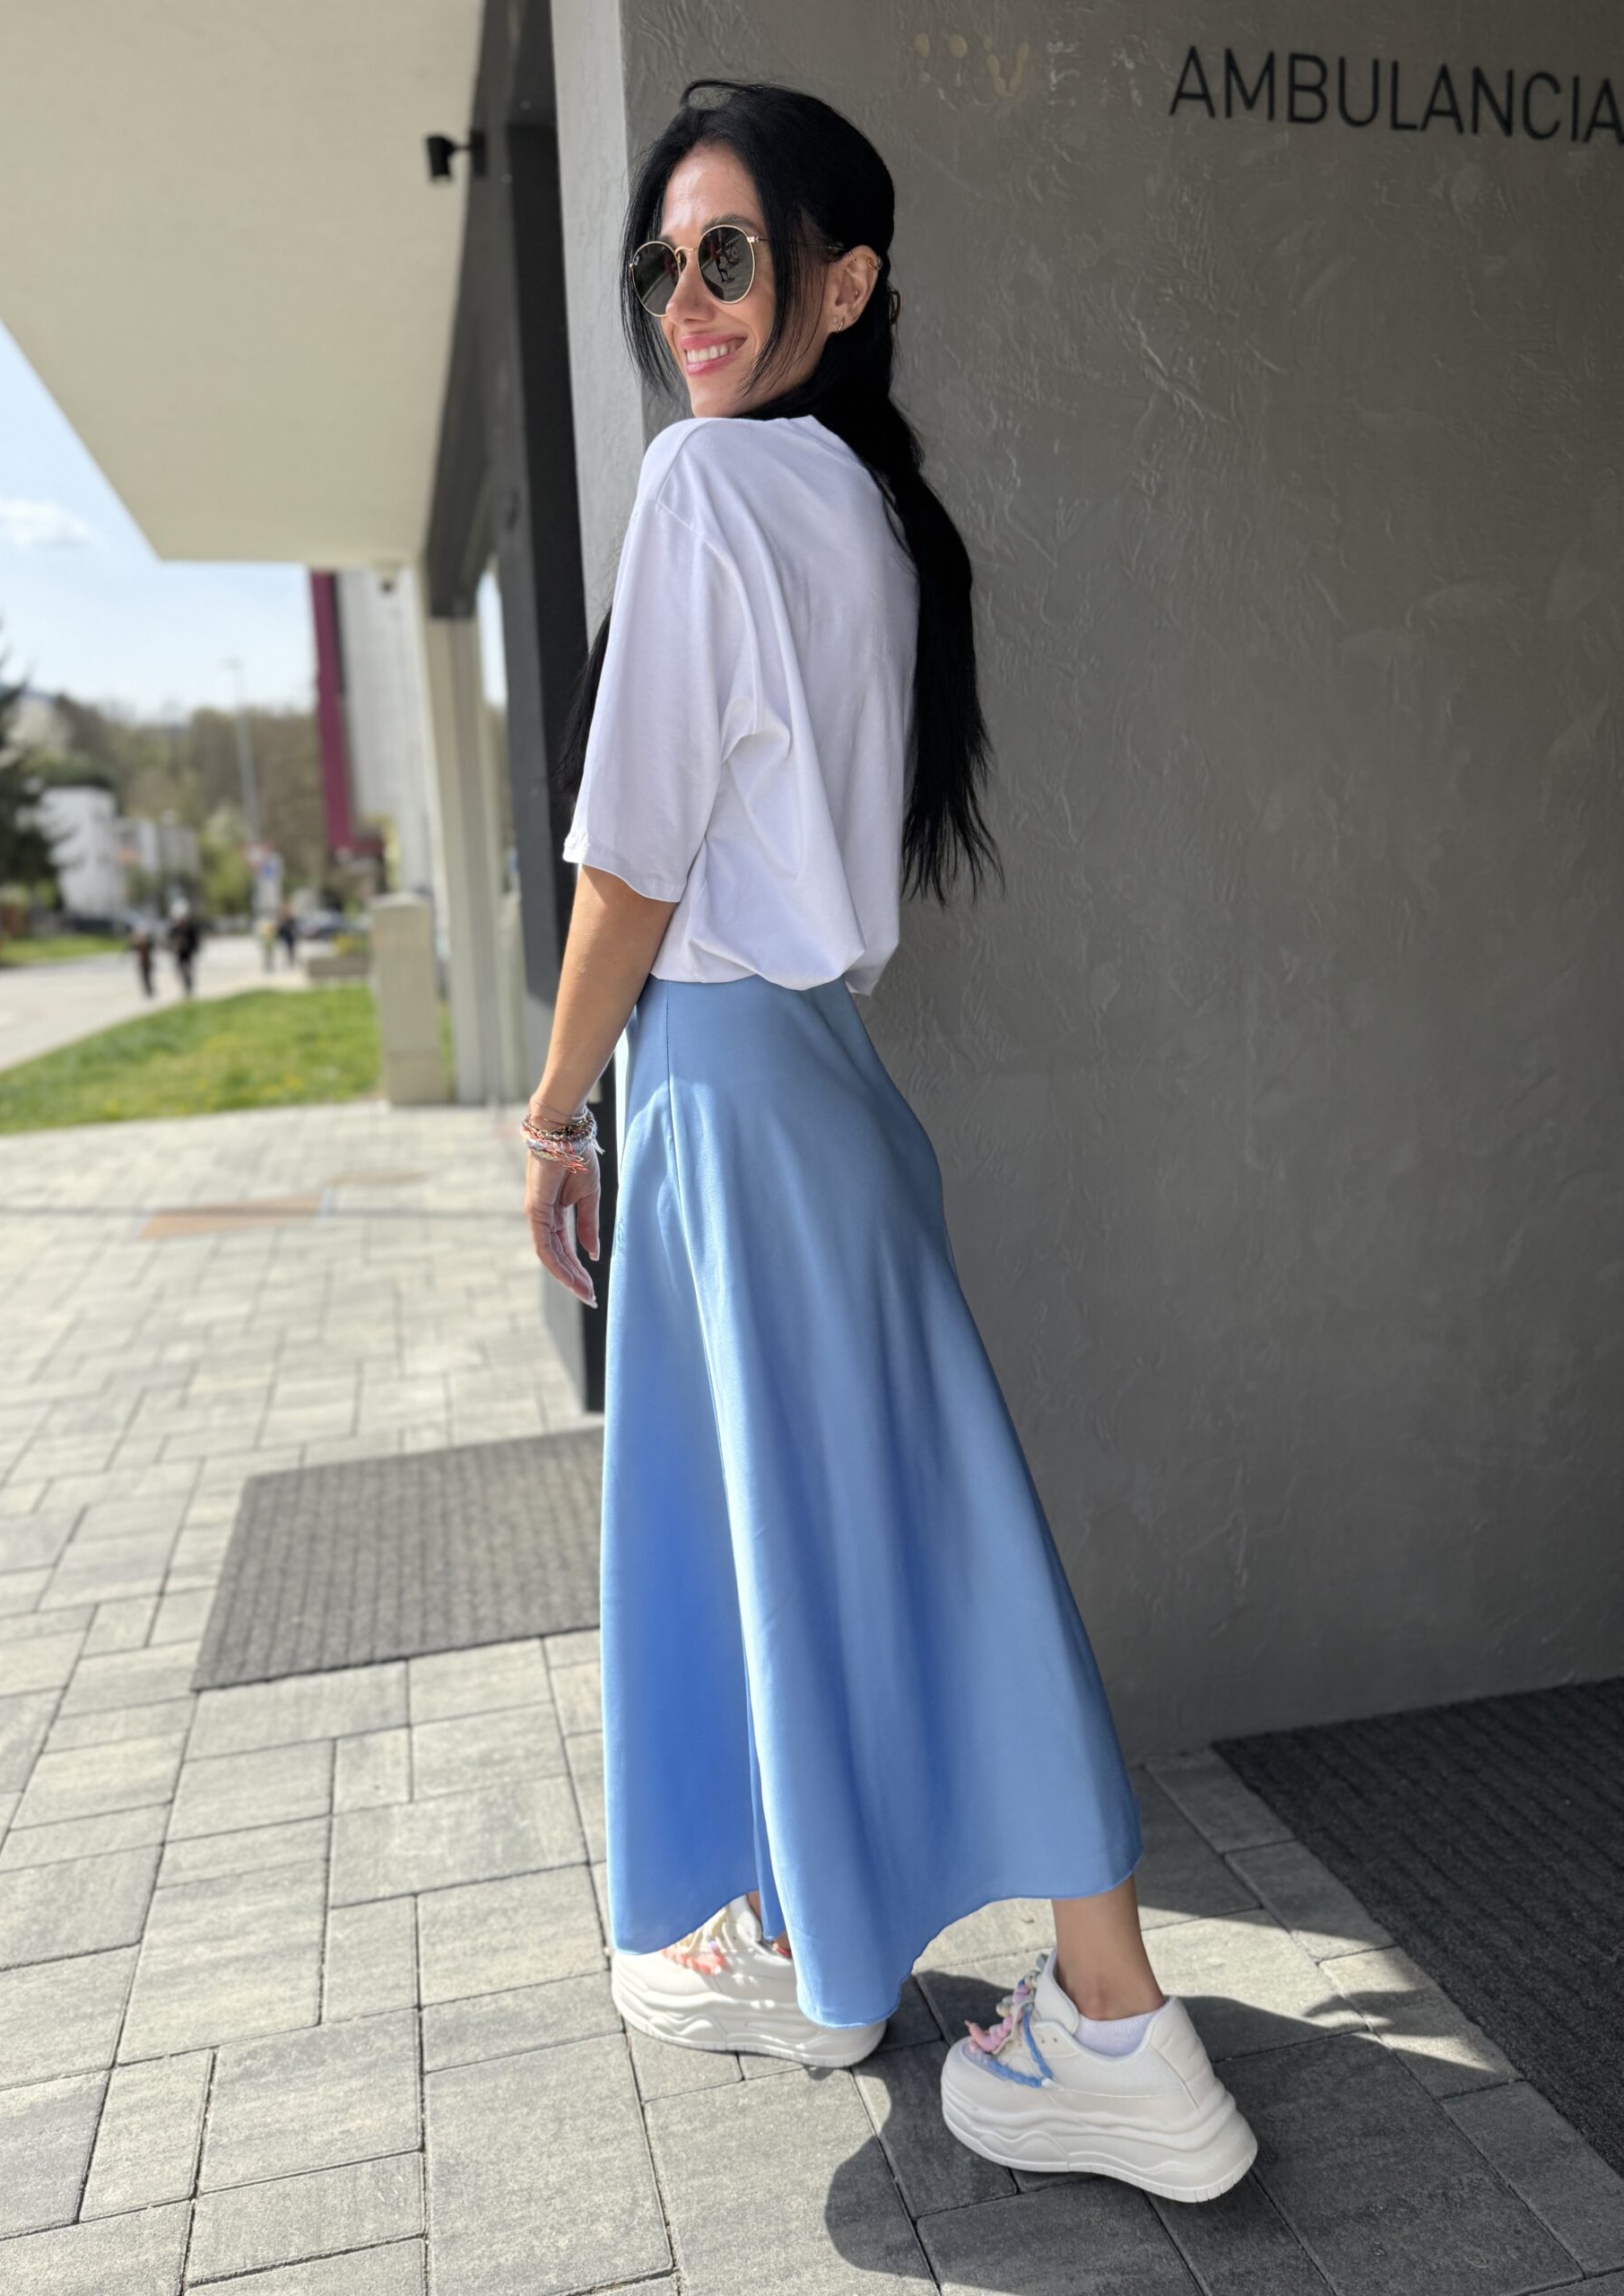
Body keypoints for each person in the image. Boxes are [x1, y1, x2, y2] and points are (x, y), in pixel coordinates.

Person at [524, 78, 1257, 2205]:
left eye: (727, 253)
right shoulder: (870, 513)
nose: (685, 298)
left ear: (844, 284)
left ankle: (1097, 2010)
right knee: (871, 1523)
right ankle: (846, 1942)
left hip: (733, 1083)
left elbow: (630, 862)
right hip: (824, 1085)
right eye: (660, 263)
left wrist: (551, 1109)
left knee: (859, 1529)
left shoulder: (707, 488)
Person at [166, 900, 201, 996]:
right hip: (179, 955)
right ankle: (186, 988)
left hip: (188, 955)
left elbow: (195, 942)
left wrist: (190, 946)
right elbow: (169, 942)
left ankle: (189, 989)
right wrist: (174, 946)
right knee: (180, 972)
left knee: (187, 971)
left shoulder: (190, 928)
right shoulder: (174, 930)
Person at [129, 919, 156, 999]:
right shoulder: (138, 945)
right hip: (142, 963)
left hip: (148, 963)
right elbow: (132, 948)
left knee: (148, 977)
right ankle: (147, 991)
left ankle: (150, 991)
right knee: (144, 978)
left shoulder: (148, 943)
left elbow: (151, 946)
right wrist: (134, 939)